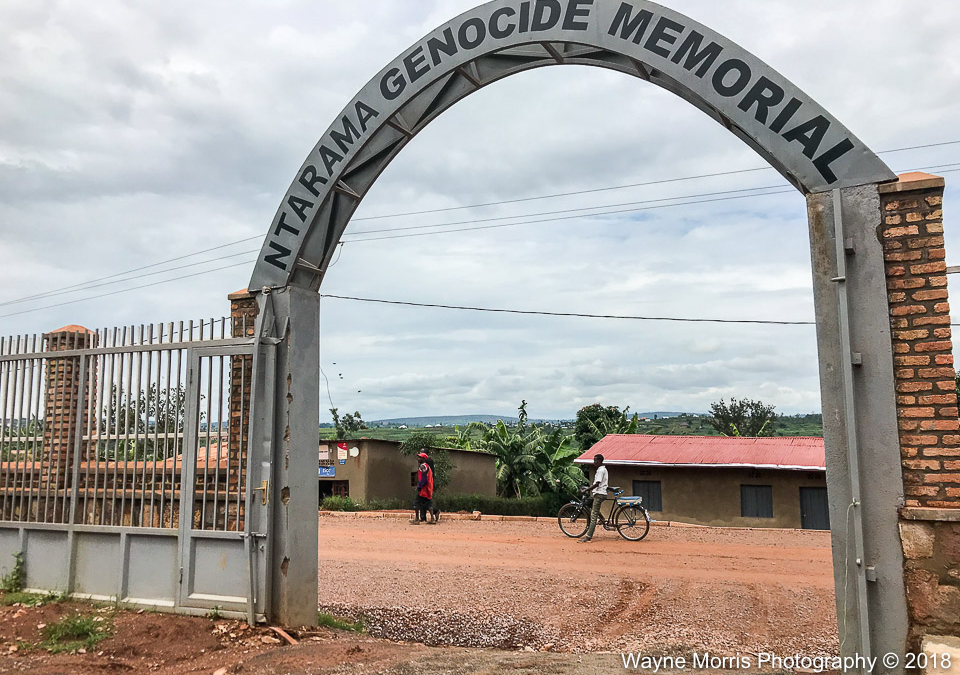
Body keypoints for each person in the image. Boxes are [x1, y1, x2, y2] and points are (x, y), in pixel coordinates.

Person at [579, 453, 608, 543]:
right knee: (590, 504)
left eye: (595, 460)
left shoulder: (600, 470)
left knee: (593, 515)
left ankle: (588, 536)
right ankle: (602, 519)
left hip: (599, 494)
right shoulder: (603, 469)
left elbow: (597, 484)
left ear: (599, 461)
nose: (594, 462)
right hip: (600, 493)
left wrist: (586, 490)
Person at [410, 455, 434, 525]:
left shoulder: (423, 466)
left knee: (416, 503)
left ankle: (417, 519)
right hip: (427, 488)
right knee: (428, 503)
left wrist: (419, 486)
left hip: (423, 488)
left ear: (424, 459)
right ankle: (432, 518)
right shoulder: (427, 466)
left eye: (420, 457)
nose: (418, 458)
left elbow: (424, 478)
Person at [418, 449, 441, 523]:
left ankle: (433, 513)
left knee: (425, 501)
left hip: (426, 484)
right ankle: (424, 517)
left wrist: (421, 485)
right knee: (423, 501)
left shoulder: (427, 462)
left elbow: (427, 475)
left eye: (422, 452)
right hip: (425, 484)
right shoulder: (423, 461)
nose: (420, 454)